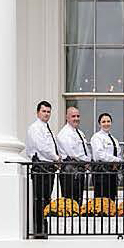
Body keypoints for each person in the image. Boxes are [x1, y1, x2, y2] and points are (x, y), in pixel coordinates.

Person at [25, 101, 61, 235]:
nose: (46, 114)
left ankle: (44, 229)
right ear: (37, 112)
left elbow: (50, 146)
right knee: (39, 199)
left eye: (48, 112)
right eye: (44, 111)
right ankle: (39, 231)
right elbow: (42, 147)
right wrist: (56, 158)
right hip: (41, 167)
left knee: (46, 199)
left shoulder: (46, 127)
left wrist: (56, 158)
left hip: (48, 167)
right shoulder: (35, 128)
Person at [54, 106, 91, 205]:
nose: (76, 118)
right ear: (67, 117)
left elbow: (85, 150)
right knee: (70, 202)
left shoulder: (80, 133)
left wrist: (88, 160)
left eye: (78, 116)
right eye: (73, 116)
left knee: (78, 200)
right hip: (69, 171)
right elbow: (73, 153)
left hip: (79, 170)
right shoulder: (64, 133)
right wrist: (87, 161)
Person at [89, 113, 122, 202]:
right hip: (101, 172)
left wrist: (117, 162)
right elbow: (100, 154)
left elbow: (118, 153)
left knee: (111, 198)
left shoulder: (114, 139)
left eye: (108, 121)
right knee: (101, 200)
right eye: (103, 122)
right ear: (99, 124)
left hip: (112, 172)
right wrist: (117, 160)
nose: (106, 124)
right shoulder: (96, 137)